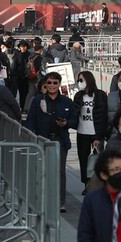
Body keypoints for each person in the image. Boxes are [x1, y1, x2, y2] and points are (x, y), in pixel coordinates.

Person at [27, 72, 79, 213]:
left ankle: (60, 202)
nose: (52, 86)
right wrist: (32, 135)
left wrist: (66, 123)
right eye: (49, 83)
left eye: (55, 83)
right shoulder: (38, 100)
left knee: (60, 171)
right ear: (45, 84)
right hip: (42, 138)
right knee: (41, 170)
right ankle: (41, 199)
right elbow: (30, 119)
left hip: (59, 139)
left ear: (59, 84)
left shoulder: (67, 102)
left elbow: (75, 120)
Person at [73, 70, 108, 189]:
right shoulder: (78, 95)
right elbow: (75, 113)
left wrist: (99, 136)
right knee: (83, 159)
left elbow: (103, 117)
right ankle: (86, 184)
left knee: (97, 160)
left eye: (81, 80)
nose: (80, 83)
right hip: (82, 132)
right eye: (78, 80)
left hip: (96, 132)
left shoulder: (100, 95)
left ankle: (96, 183)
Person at [13, 39, 31, 112]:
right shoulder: (17, 55)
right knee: (21, 92)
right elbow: (15, 66)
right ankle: (22, 107)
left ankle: (24, 107)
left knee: (26, 93)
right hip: (19, 77)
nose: (23, 48)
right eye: (21, 46)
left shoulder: (29, 55)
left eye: (24, 46)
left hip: (28, 77)